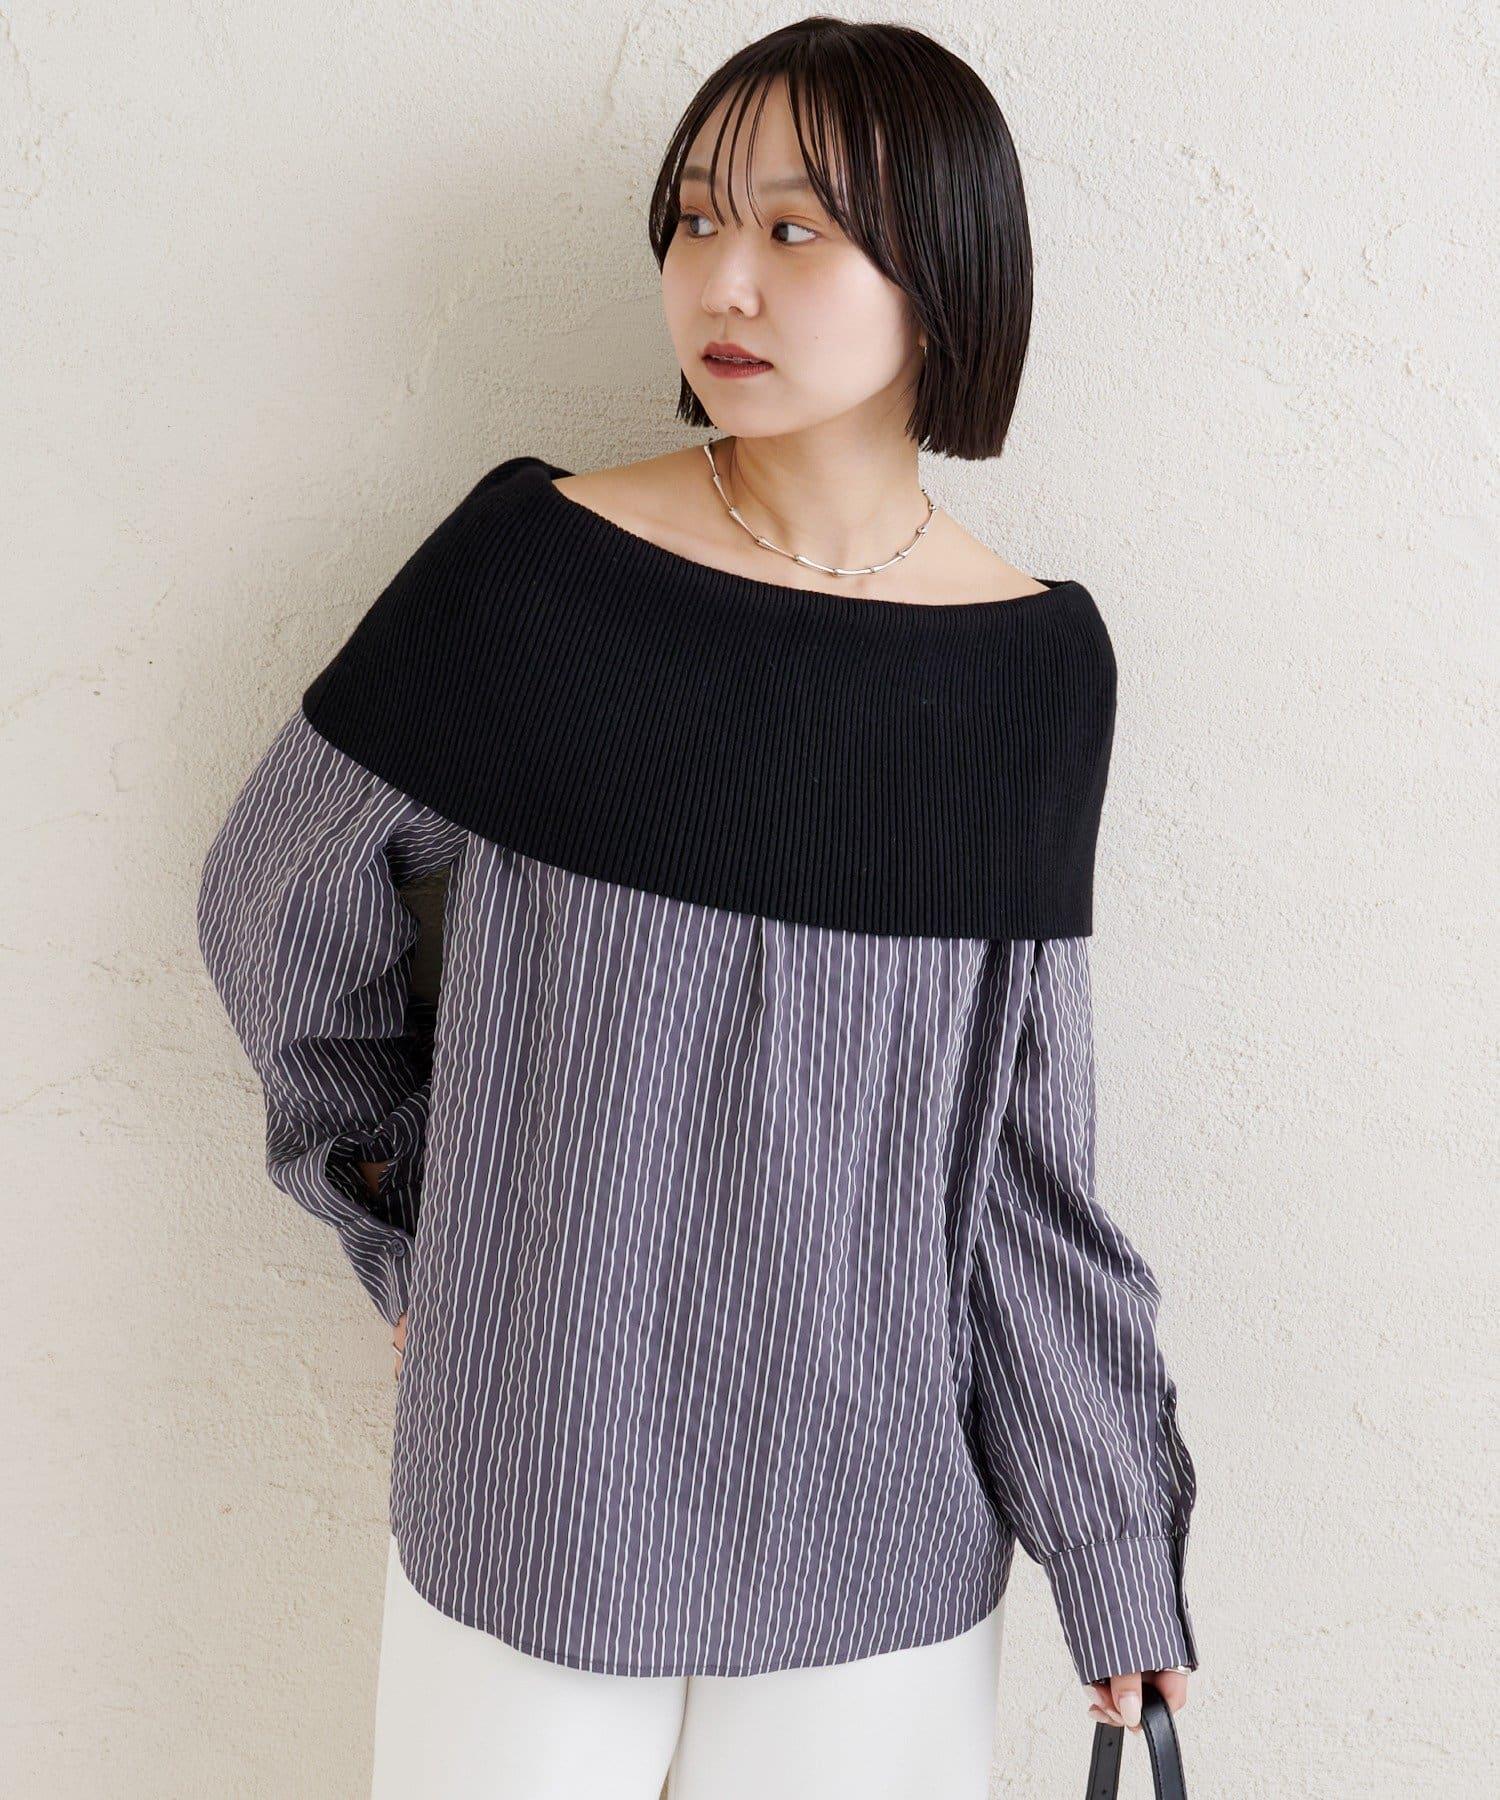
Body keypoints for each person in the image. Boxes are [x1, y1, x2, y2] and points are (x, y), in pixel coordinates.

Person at [195, 19, 1200, 1799]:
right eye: (694, 217)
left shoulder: (1032, 669)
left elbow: (1021, 1171)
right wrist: (412, 1219)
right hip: (537, 1482)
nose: (722, 279)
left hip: (879, 1529)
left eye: (798, 229)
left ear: (943, 271)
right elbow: (275, 898)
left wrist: (1113, 1542)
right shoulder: (534, 575)